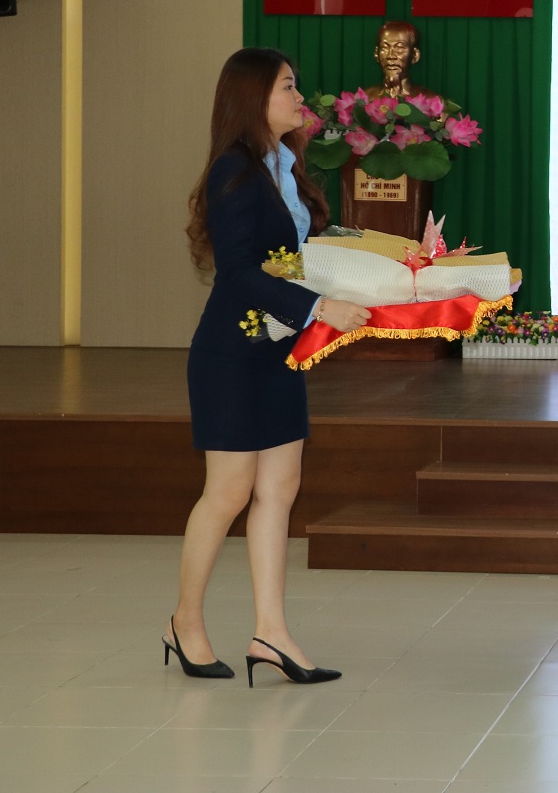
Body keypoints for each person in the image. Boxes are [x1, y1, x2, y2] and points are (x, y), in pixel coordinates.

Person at [171, 48, 370, 685]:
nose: (299, 97)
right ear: (254, 96)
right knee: (228, 492)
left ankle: (271, 634)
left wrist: (381, 268)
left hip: (278, 349)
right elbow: (238, 271)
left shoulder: (282, 164)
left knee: (279, 490)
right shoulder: (234, 170)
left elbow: (297, 255)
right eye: (288, 86)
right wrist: (319, 307)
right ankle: (185, 623)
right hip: (231, 355)